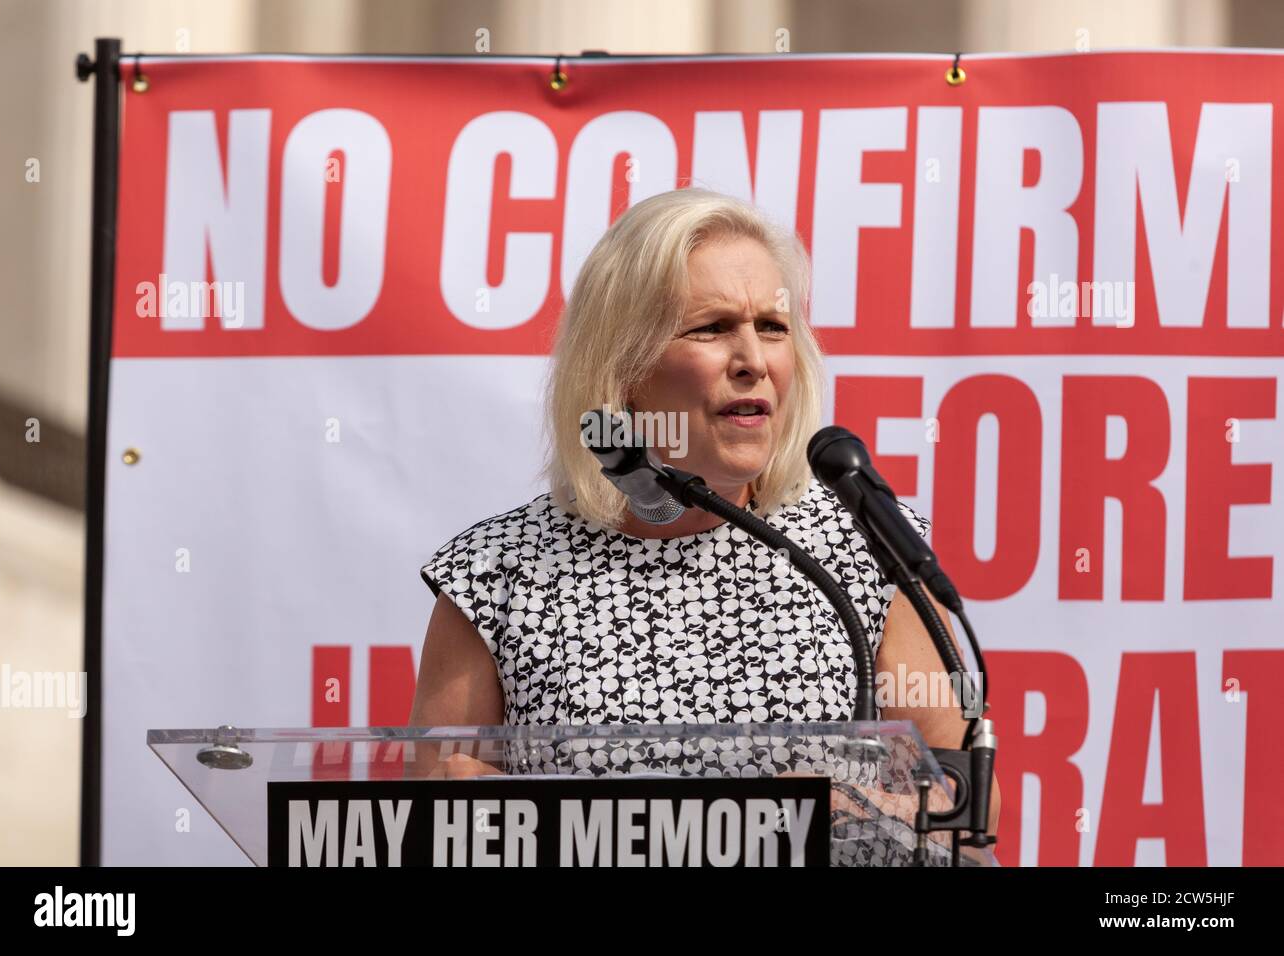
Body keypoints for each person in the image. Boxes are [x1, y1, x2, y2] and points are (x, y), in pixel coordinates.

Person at [410, 187, 999, 841]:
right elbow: (441, 815)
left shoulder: (863, 549)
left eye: (772, 328)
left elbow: (966, 802)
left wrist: (854, 813)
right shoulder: (498, 572)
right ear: (624, 365)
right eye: (712, 328)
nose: (753, 361)